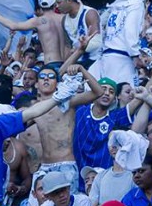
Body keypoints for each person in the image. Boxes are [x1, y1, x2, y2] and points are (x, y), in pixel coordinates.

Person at [30, 64, 104, 194]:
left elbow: (98, 92)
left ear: (57, 83)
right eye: (42, 77)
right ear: (36, 84)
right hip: (44, 168)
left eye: (51, 77)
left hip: (65, 165)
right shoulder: (33, 109)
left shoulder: (68, 102)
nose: (46, 79)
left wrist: (81, 69)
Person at [72, 77, 143, 190]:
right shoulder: (80, 110)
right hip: (77, 175)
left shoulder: (114, 117)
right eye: (103, 89)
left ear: (114, 99)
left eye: (111, 92)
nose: (106, 94)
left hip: (104, 179)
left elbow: (141, 97)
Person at [0, 0, 69, 67]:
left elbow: (13, 26)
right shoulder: (65, 18)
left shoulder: (37, 21)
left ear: (40, 4)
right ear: (55, 3)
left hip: (50, 62)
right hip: (67, 63)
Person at [56, 0, 101, 68]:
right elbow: (68, 47)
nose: (57, 6)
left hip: (96, 61)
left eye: (59, 2)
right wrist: (65, 65)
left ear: (69, 0)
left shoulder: (89, 13)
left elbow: (97, 43)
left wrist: (77, 49)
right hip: (76, 62)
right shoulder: (64, 20)